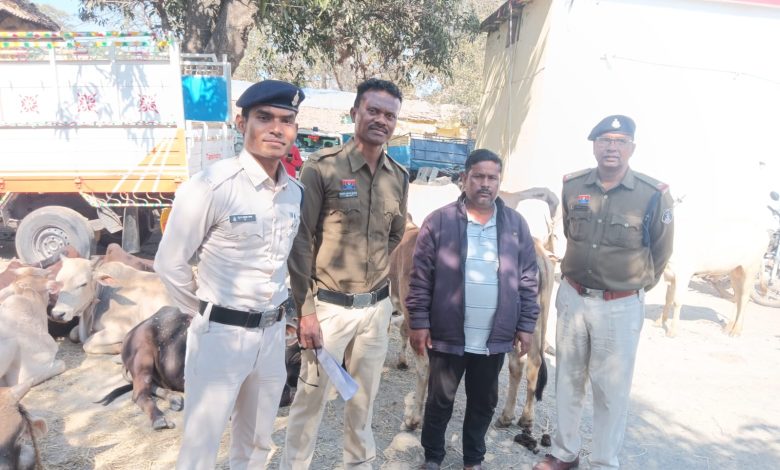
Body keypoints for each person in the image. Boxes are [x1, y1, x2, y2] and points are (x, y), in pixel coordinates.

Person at [154, 79, 305, 470]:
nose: (277, 129)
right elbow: (169, 263)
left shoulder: (294, 193)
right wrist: (206, 313)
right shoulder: (211, 186)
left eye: (287, 120)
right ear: (242, 123)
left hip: (272, 335)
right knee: (201, 446)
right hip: (220, 336)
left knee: (256, 443)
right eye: (264, 118)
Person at [533, 115, 674, 470]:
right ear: (595, 146)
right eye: (605, 140)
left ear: (632, 148)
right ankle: (565, 452)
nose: (612, 147)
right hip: (573, 297)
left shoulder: (652, 194)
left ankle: (603, 462)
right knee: (568, 380)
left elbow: (661, 251)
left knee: (611, 391)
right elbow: (570, 232)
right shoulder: (573, 185)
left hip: (619, 305)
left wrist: (631, 288)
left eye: (620, 141)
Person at [282, 78, 409, 470]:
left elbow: (395, 235)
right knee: (310, 399)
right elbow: (300, 241)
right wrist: (305, 311)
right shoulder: (323, 168)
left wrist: (376, 281)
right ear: (355, 112)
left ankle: (359, 464)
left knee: (363, 401)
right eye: (373, 111)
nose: (381, 120)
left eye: (390, 115)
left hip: (376, 309)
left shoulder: (398, 176)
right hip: (329, 310)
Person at [405, 149, 541, 470]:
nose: (485, 184)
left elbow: (528, 278)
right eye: (478, 176)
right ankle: (433, 457)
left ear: (499, 181)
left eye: (492, 177)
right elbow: (420, 278)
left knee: (483, 402)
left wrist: (526, 325)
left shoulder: (515, 226)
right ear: (464, 179)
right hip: (449, 334)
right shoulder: (439, 222)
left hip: (494, 337)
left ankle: (473, 460)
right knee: (440, 400)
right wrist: (418, 322)